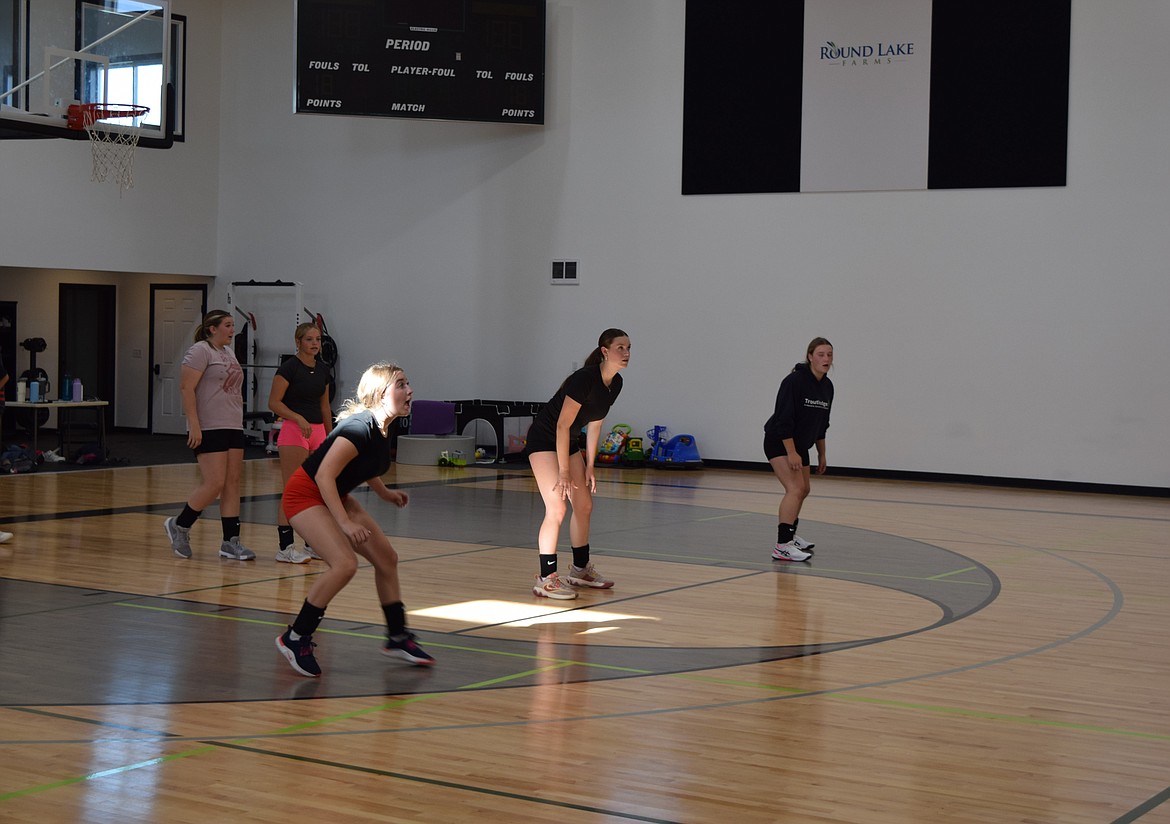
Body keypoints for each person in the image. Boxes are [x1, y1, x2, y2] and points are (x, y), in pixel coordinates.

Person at [275, 362, 433, 677]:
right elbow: (323, 475)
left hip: (335, 494)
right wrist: (345, 523)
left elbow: (364, 465)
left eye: (407, 382)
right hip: (305, 495)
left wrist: (384, 492)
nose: (409, 390)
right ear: (380, 394)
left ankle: (397, 635)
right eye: (400, 384)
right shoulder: (358, 427)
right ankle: (297, 636)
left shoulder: (383, 426)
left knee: (387, 558)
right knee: (344, 564)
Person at [525, 328, 631, 600]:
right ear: (605, 352)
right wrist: (562, 472)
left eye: (629, 348)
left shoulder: (615, 383)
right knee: (557, 507)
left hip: (568, 441)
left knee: (584, 505)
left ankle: (580, 570)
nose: (627, 353)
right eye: (620, 347)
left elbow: (595, 425)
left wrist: (590, 466)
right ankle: (546, 579)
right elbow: (562, 424)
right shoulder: (583, 379)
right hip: (545, 438)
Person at [162, 309, 256, 561]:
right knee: (215, 483)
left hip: (233, 424)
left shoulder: (228, 352)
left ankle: (230, 542)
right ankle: (180, 525)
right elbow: (186, 388)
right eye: (227, 325)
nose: (232, 329)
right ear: (212, 328)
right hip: (209, 425)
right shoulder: (199, 351)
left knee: (233, 483)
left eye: (233, 325)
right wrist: (194, 424)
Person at [763, 337, 834, 562]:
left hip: (801, 445)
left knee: (804, 489)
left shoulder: (827, 386)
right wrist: (791, 452)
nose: (826, 359)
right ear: (810, 356)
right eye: (821, 354)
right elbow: (783, 418)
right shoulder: (794, 381)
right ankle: (782, 546)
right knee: (794, 488)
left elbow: (822, 424)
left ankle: (790, 537)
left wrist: (821, 453)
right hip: (780, 441)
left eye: (830, 355)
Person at [267, 322, 333, 564]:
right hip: (295, 431)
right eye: (309, 339)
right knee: (293, 490)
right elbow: (273, 403)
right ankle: (285, 548)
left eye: (317, 339)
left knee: (315, 491)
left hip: (317, 432)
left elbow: (325, 406)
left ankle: (311, 544)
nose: (314, 343)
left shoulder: (324, 370)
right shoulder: (288, 369)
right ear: (298, 342)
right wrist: (297, 417)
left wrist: (331, 437)